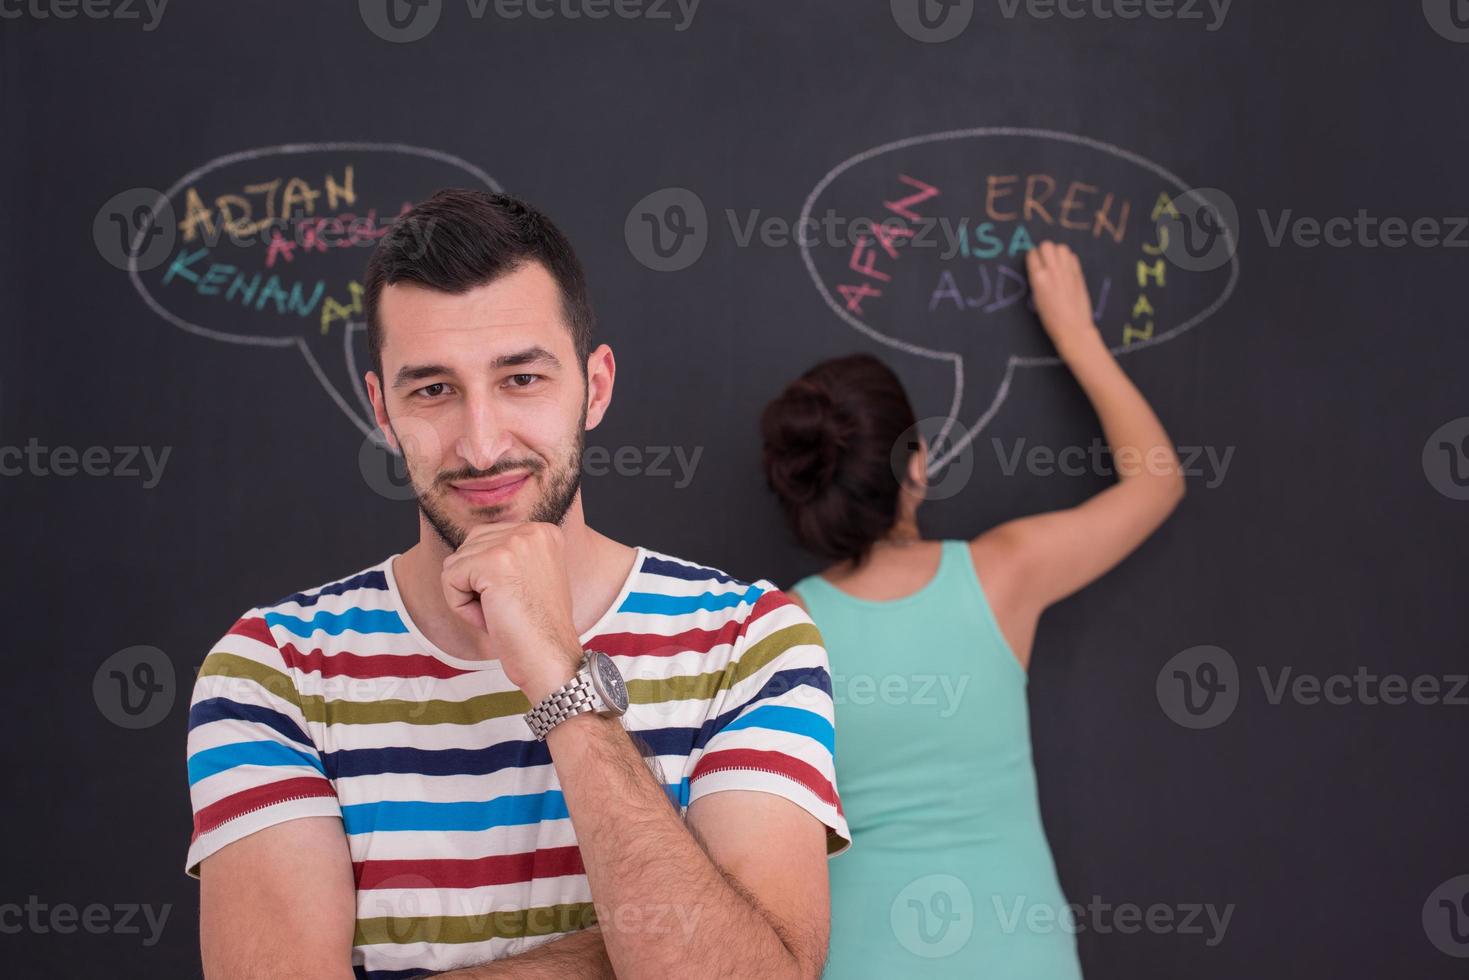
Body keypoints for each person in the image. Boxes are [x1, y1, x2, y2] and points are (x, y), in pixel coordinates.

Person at [184, 189, 850, 979]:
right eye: (432, 389)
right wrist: (629, 954)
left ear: (595, 387)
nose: (481, 442)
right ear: (380, 410)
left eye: (522, 379)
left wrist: (557, 672)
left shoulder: (750, 641)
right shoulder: (273, 671)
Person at [759, 242, 1186, 978]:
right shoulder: (1000, 574)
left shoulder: (779, 630)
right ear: (916, 465)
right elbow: (1157, 483)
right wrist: (1074, 334)